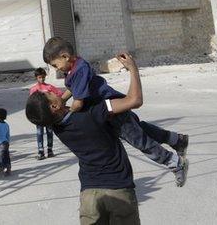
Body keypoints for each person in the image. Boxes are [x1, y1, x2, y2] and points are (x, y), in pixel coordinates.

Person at [43, 36, 190, 187]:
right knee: (139, 128)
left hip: (110, 108)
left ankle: (174, 162)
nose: (56, 69)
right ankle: (177, 140)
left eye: (55, 65)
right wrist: (62, 99)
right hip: (107, 106)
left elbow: (78, 103)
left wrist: (69, 112)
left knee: (138, 140)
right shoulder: (74, 67)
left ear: (65, 57)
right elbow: (72, 88)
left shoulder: (79, 71)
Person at [25, 53, 144, 225]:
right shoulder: (93, 112)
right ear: (54, 105)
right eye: (51, 94)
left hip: (89, 195)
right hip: (118, 189)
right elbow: (135, 100)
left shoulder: (56, 127)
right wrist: (133, 68)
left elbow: (63, 102)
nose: (56, 91)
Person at [29, 67, 63, 159]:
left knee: (49, 131)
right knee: (39, 132)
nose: (42, 79)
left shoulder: (49, 87)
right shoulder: (33, 89)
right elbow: (31, 103)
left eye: (43, 77)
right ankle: (41, 152)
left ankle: (50, 150)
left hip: (49, 114)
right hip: (39, 114)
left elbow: (59, 93)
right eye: (40, 77)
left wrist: (54, 101)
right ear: (36, 77)